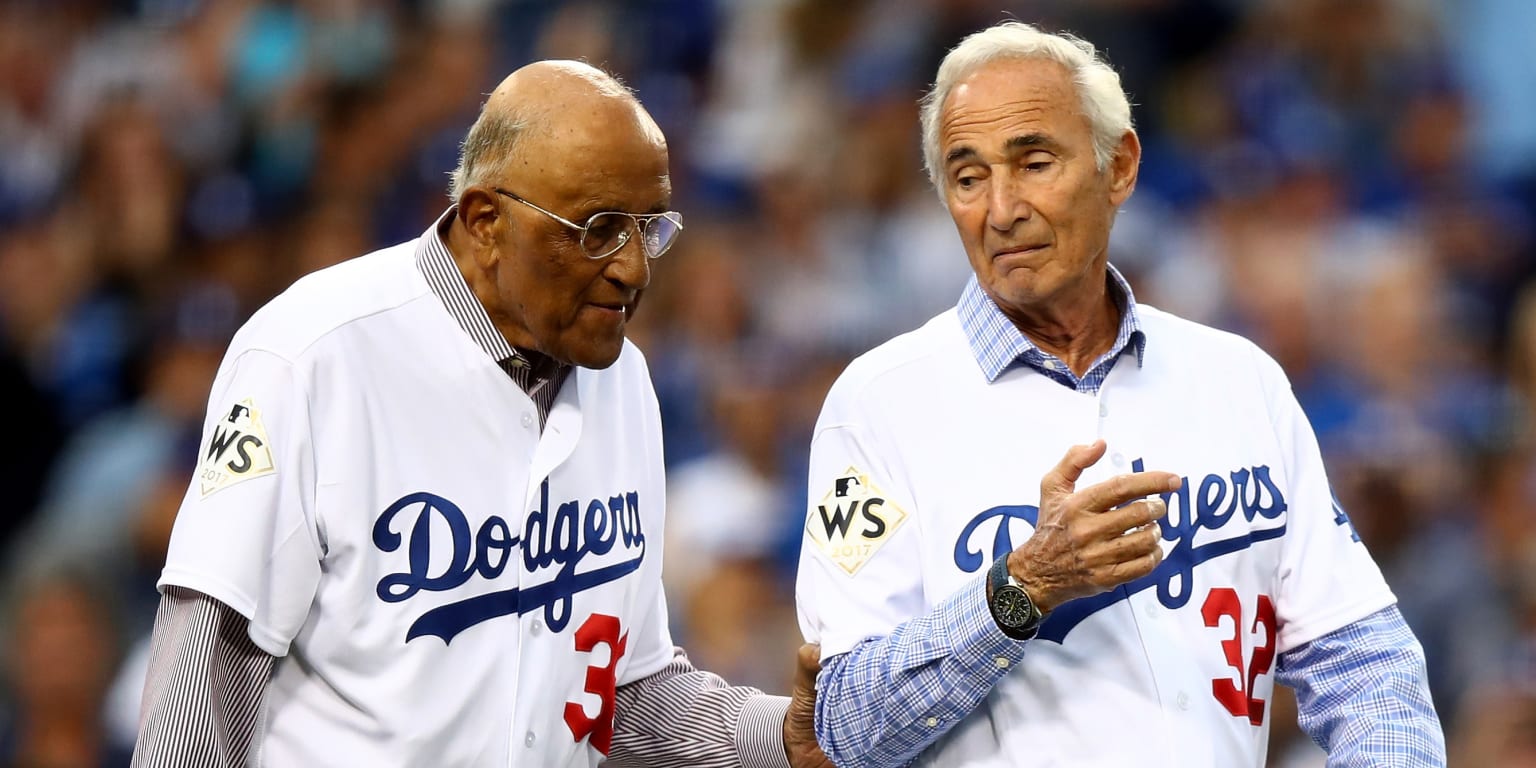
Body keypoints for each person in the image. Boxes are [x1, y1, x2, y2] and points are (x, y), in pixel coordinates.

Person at [132, 60, 828, 768]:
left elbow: (621, 695)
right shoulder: (313, 355)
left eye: (648, 229)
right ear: (485, 221)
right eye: (598, 229)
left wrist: (778, 735)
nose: (633, 269)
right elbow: (205, 685)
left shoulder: (626, 383)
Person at [794, 21, 1445, 768]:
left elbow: (1365, 663)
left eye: (1034, 162)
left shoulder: (1240, 381)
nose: (1001, 209)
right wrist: (1022, 588)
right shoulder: (876, 406)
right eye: (968, 177)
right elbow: (843, 721)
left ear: (1120, 167)